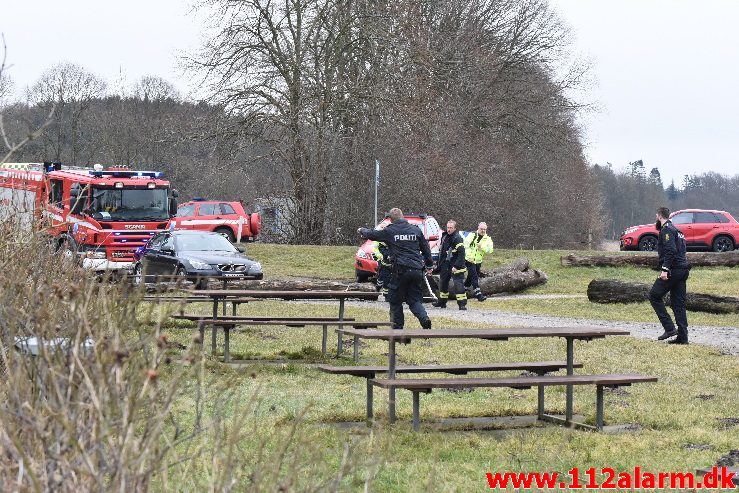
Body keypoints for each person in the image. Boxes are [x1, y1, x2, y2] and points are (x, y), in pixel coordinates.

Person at [358, 208, 434, 330]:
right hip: (416, 270)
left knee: (395, 300)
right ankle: (424, 318)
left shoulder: (390, 230)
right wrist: (429, 265)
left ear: (391, 220)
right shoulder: (415, 230)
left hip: (400, 271)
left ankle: (397, 328)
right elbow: (426, 249)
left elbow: (373, 234)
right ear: (403, 217)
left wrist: (362, 230)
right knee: (414, 300)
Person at [650, 207, 691, 344]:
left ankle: (669, 328)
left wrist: (665, 269)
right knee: (678, 304)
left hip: (674, 269)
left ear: (660, 216)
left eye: (656, 216)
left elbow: (671, 251)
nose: (656, 218)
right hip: (683, 269)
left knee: (654, 295)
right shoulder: (677, 230)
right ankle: (683, 337)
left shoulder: (667, 229)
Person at [432, 220, 467, 310]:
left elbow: (461, 253)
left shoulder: (457, 238)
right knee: (443, 283)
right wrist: (439, 266)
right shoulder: (445, 237)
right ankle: (442, 302)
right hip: (445, 265)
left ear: (455, 228)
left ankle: (462, 304)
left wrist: (456, 266)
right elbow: (442, 253)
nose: (449, 229)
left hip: (455, 265)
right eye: (448, 227)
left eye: (451, 228)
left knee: (458, 284)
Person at [463, 222, 494, 301]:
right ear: (478, 228)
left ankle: (464, 288)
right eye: (481, 229)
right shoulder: (472, 235)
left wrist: (482, 247)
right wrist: (467, 255)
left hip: (478, 261)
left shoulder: (488, 239)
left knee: (471, 275)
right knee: (474, 276)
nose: (483, 231)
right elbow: (465, 246)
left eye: (484, 229)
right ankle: (478, 293)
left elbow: (490, 250)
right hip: (469, 259)